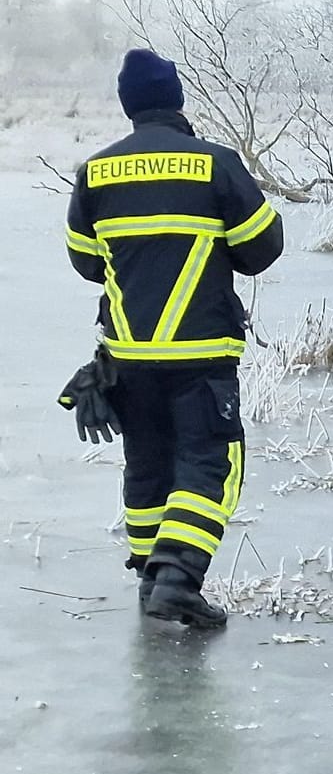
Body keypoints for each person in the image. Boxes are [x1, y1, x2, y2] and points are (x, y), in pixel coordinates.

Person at [61, 48, 284, 628]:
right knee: (209, 464)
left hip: (128, 356)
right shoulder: (215, 164)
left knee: (148, 464)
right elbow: (262, 248)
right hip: (200, 351)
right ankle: (178, 579)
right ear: (177, 99)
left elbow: (87, 263)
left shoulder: (95, 171)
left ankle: (149, 575)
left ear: (127, 105)